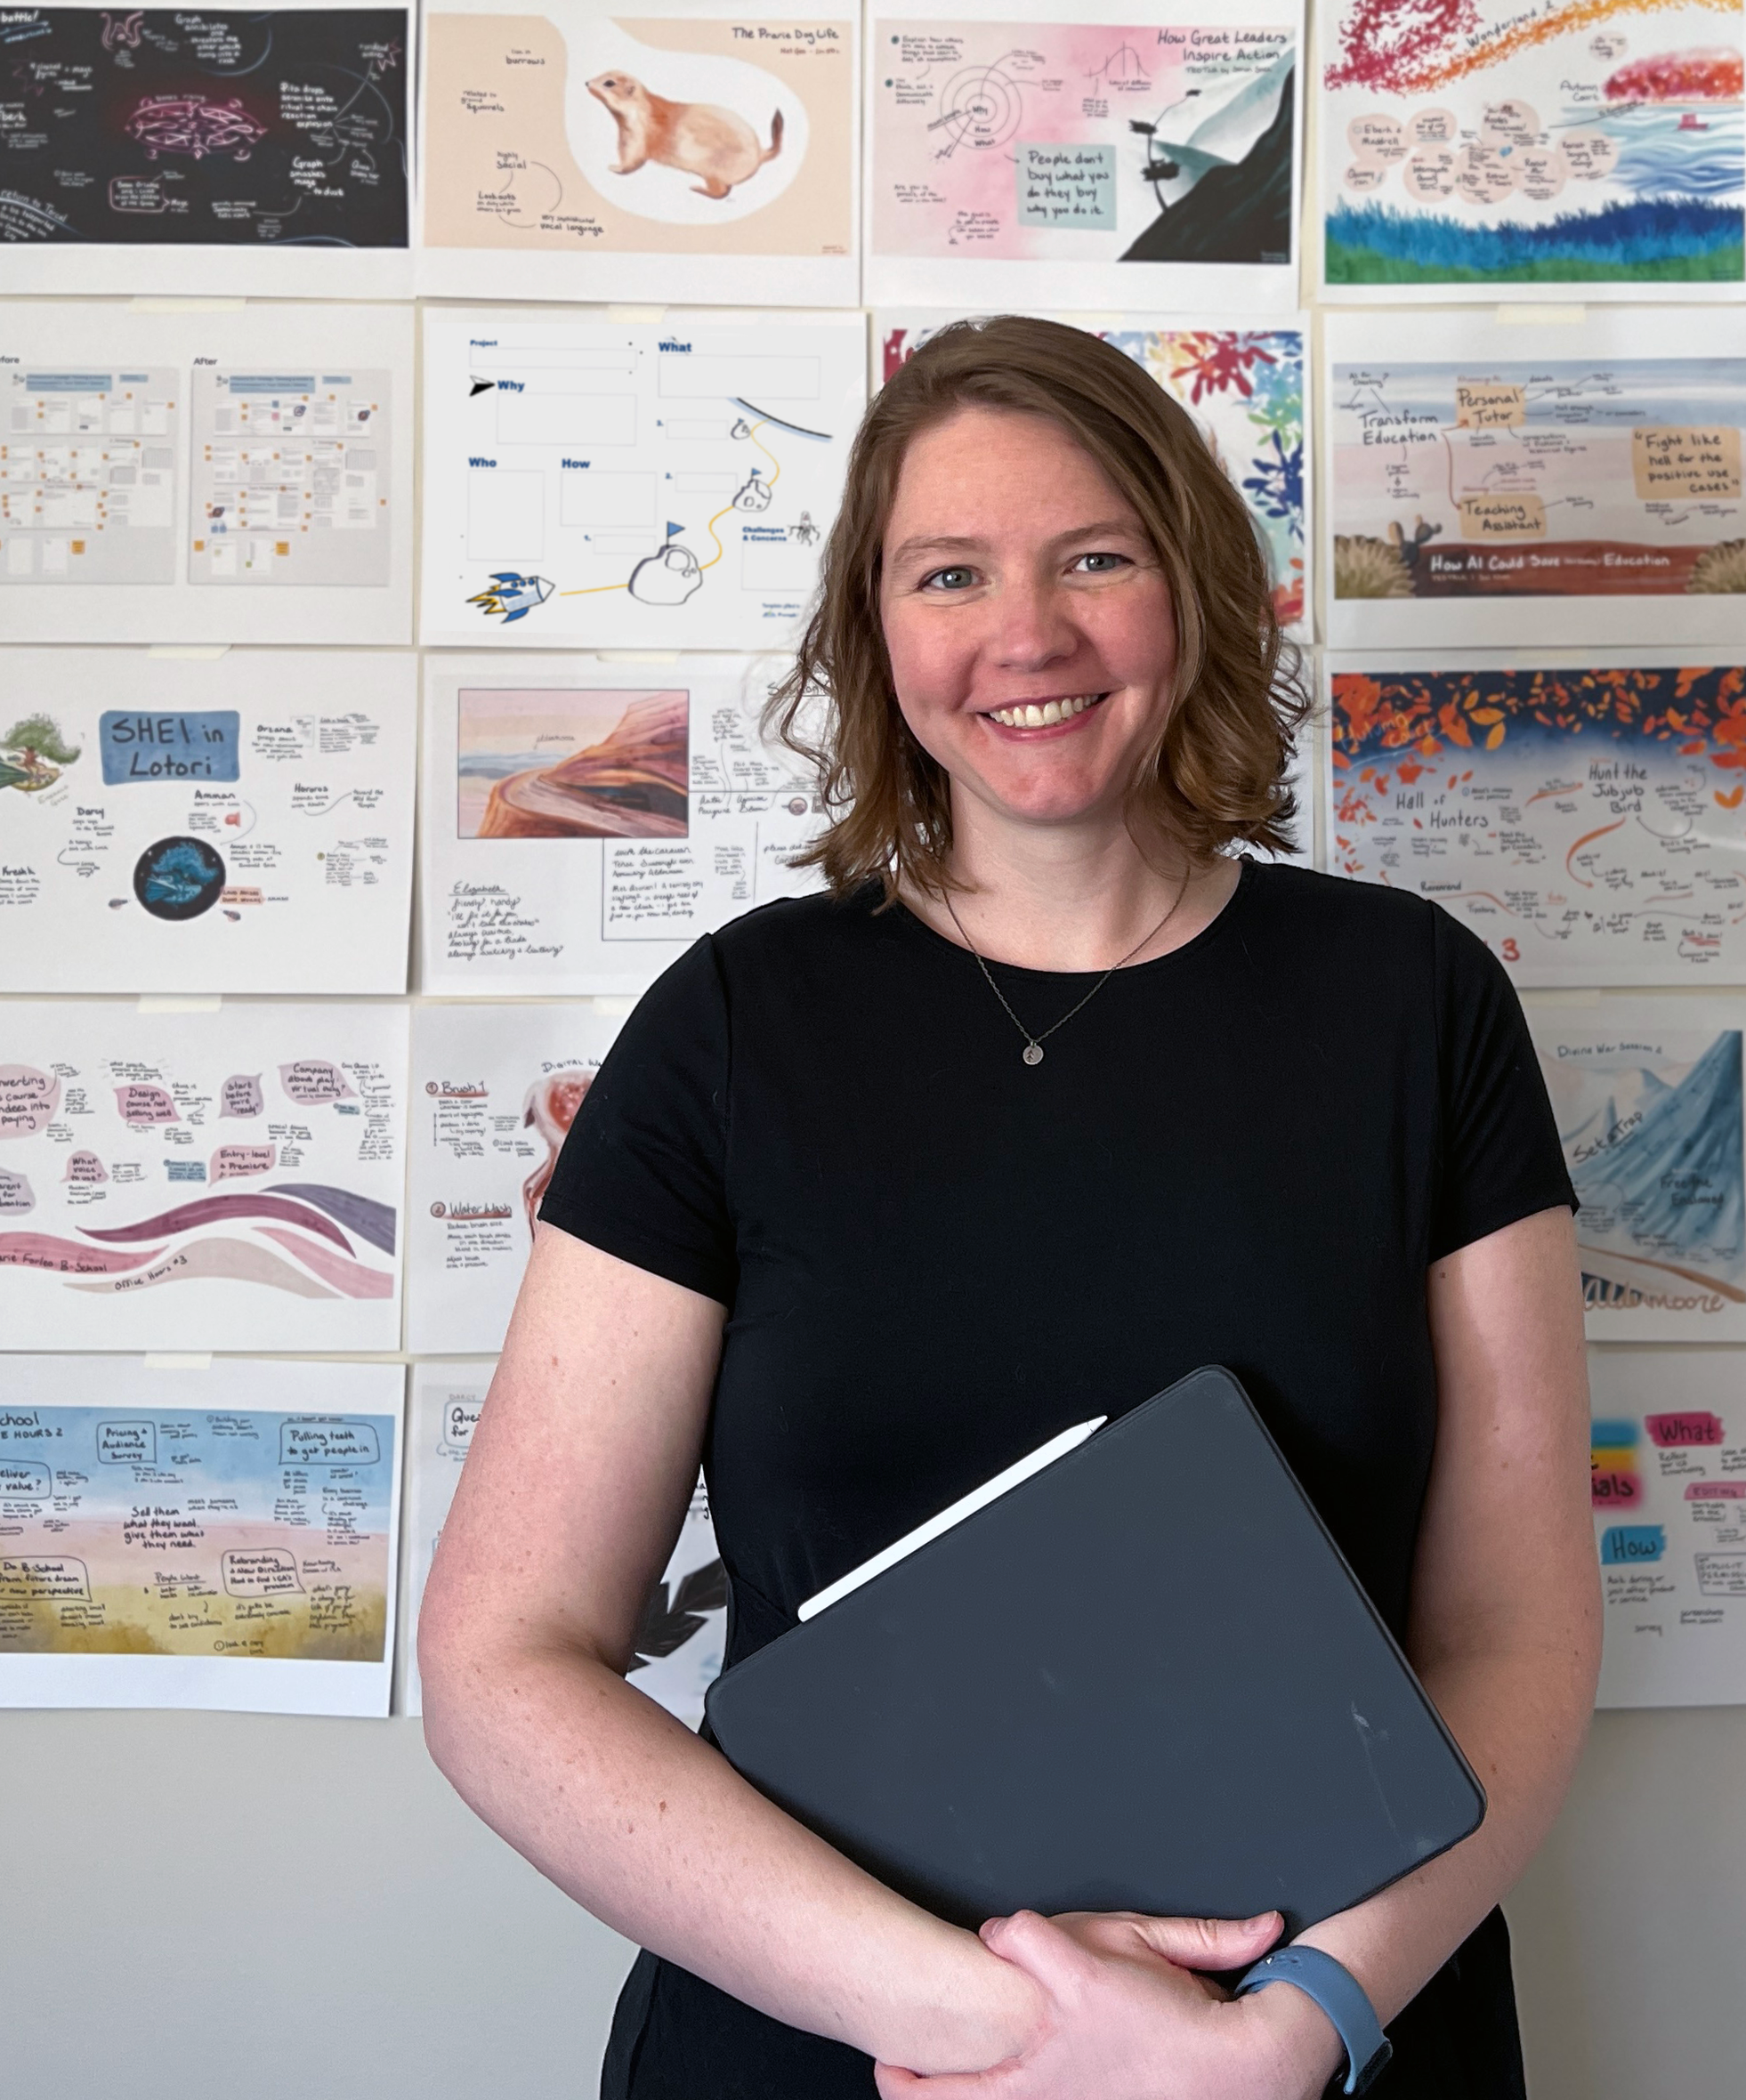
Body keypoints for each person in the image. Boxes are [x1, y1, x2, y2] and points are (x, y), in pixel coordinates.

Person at [421, 316, 1599, 2100]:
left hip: (1318, 2044)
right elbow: (506, 1663)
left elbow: (1516, 1632)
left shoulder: (1416, 1004)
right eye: (949, 572)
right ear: (875, 629)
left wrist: (1286, 2032)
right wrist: (993, 2024)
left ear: (1192, 589)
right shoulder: (731, 1027)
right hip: (831, 2038)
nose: (1026, 633)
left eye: (1095, 558)